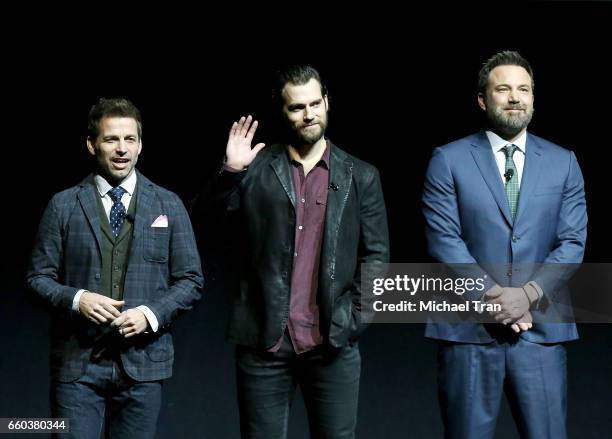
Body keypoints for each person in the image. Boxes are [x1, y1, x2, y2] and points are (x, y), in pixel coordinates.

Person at [193, 64, 389, 439]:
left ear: (328, 102)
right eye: (297, 107)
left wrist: (353, 321)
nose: (309, 114)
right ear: (282, 111)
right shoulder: (256, 168)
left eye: (316, 103)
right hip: (265, 342)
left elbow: (377, 257)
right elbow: (202, 226)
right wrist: (230, 173)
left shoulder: (360, 175)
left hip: (331, 344)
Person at [422, 50, 587, 439]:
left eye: (524, 89)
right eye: (503, 89)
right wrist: (499, 299)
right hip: (469, 332)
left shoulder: (564, 162)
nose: (515, 97)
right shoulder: (448, 159)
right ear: (483, 99)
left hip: (542, 332)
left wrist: (527, 293)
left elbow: (572, 242)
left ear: (533, 97)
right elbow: (445, 242)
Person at [27, 98, 203, 439]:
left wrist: (149, 315)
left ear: (140, 145)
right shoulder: (64, 205)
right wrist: (78, 299)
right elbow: (37, 278)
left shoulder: (168, 203)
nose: (121, 149)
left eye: (130, 139)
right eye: (111, 139)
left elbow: (191, 280)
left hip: (143, 365)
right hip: (77, 367)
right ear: (92, 144)